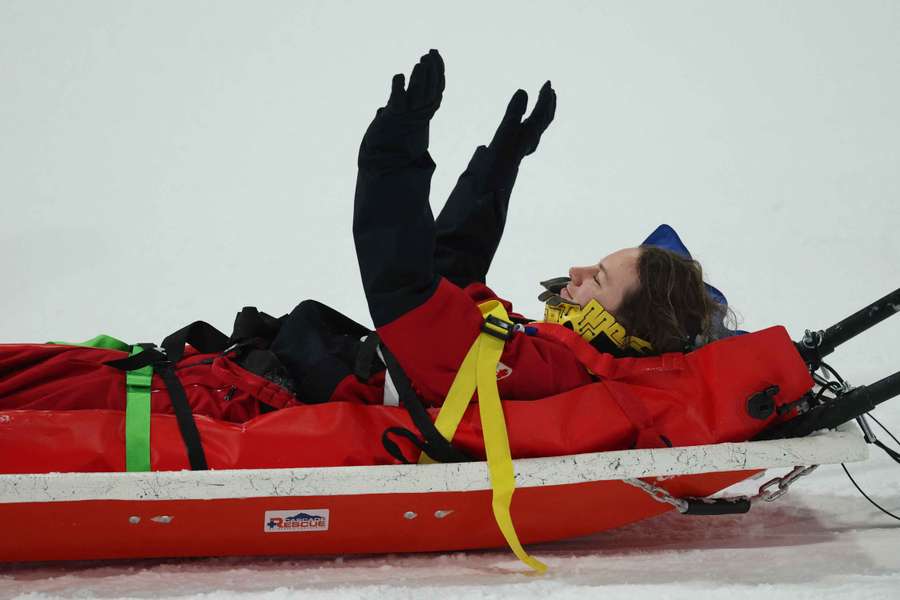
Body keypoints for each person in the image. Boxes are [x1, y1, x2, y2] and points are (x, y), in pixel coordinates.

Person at [270, 49, 730, 409]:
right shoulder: (554, 357)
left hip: (312, 399)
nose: (576, 270)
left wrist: (392, 150)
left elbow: (407, 289)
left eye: (599, 278)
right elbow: (450, 278)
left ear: (623, 328)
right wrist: (499, 165)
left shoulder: (551, 373)